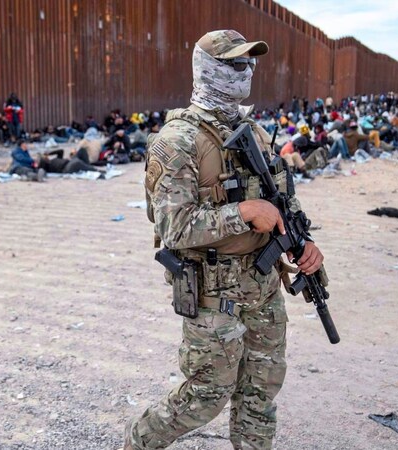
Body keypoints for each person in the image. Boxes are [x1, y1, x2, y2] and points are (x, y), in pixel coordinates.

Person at [126, 29, 324, 449]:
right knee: (205, 396)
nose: (245, 71)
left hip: (263, 285)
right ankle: (138, 442)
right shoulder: (177, 141)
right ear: (208, 69)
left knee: (260, 392)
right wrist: (243, 213)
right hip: (214, 292)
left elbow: (283, 205)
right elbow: (173, 228)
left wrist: (304, 247)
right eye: (235, 64)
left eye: (249, 63)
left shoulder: (254, 132)